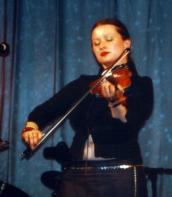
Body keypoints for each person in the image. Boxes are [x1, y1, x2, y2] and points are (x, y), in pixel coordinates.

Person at [21, 18, 153, 197]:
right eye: (96, 43)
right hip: (76, 175)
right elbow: (44, 111)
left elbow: (131, 123)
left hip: (120, 174)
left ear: (126, 43)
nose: (101, 46)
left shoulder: (140, 84)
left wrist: (114, 101)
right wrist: (31, 127)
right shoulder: (84, 84)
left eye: (108, 39)